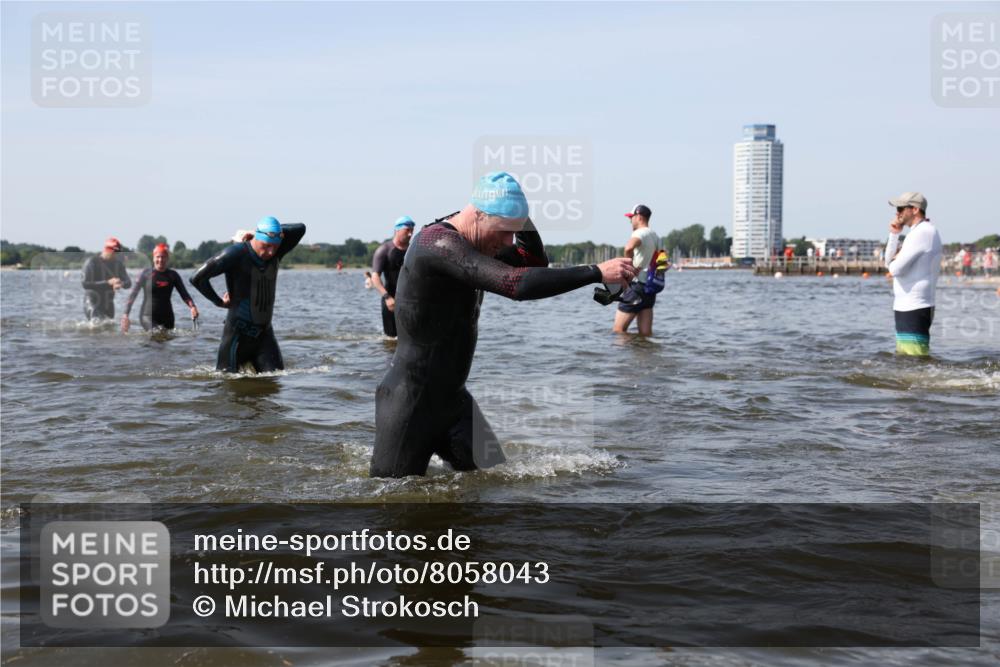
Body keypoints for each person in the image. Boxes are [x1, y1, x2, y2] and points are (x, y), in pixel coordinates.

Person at [370, 172, 636, 478]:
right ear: (479, 215)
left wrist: (521, 216)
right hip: (409, 403)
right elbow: (516, 283)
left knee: (496, 490)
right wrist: (595, 272)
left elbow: (533, 261)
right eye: (504, 231)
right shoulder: (436, 244)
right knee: (392, 506)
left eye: (515, 231)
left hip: (454, 403)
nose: (509, 242)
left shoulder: (480, 244)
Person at [190, 216, 305, 373]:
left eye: (275, 246)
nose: (271, 252)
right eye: (266, 245)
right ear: (257, 239)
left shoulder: (278, 251)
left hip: (264, 336)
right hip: (236, 338)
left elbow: (300, 228)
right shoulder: (235, 254)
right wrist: (218, 302)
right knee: (227, 387)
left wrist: (270, 231)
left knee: (275, 382)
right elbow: (197, 278)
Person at [884, 192, 942, 356]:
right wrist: (894, 235)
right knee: (906, 360)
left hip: (915, 305)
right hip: (907, 305)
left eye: (901, 208)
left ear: (915, 209)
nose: (897, 213)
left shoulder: (922, 233)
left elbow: (894, 269)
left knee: (914, 360)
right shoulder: (917, 233)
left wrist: (895, 261)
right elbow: (888, 263)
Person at [121, 243, 198, 332]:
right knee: (156, 336)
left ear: (167, 258)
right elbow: (133, 295)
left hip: (168, 317)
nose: (160, 259)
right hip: (148, 316)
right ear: (153, 258)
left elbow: (184, 294)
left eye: (163, 257)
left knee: (166, 341)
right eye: (158, 257)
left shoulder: (173, 275)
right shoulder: (146, 274)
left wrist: (192, 307)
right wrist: (125, 315)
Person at [612, 204, 660, 336]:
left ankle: (622, 357)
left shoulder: (640, 233)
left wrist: (629, 268)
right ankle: (644, 357)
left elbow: (628, 247)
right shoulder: (655, 236)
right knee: (645, 334)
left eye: (631, 217)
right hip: (650, 288)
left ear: (639, 217)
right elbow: (662, 261)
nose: (630, 221)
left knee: (619, 330)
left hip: (636, 286)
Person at [371, 215, 415, 337]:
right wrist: (387, 297)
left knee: (412, 336)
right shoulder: (384, 250)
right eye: (407, 230)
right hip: (391, 299)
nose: (410, 234)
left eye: (412, 230)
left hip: (411, 299)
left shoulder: (414, 249)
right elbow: (375, 277)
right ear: (397, 230)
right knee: (391, 339)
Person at [81, 237, 132, 321]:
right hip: (92, 301)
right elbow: (85, 284)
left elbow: (128, 283)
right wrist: (108, 282)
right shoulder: (92, 262)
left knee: (109, 329)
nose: (117, 255)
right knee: (97, 326)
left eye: (118, 253)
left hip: (108, 302)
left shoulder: (118, 264)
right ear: (107, 250)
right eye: (114, 253)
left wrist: (121, 284)